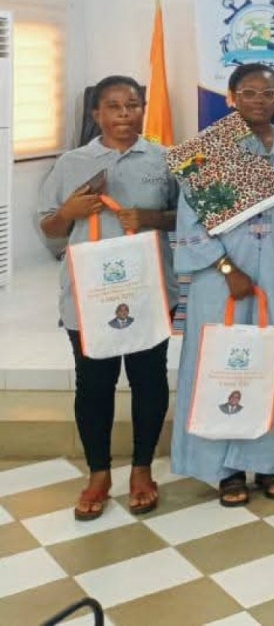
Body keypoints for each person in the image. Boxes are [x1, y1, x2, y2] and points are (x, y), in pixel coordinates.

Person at [170, 63, 274, 506]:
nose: (259, 101)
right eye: (248, 92)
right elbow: (190, 219)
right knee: (220, 362)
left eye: (268, 93)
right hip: (221, 276)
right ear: (231, 97)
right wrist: (228, 269)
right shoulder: (208, 149)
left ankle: (271, 460)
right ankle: (224, 468)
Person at [39, 75, 179, 520]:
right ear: (96, 113)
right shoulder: (71, 163)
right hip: (89, 297)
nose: (124, 114)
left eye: (132, 105)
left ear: (143, 110)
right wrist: (69, 212)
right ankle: (98, 474)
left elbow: (185, 217)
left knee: (148, 379)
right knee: (94, 384)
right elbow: (49, 228)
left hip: (149, 289)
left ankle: (142, 469)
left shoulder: (164, 159)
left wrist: (153, 217)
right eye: (113, 106)